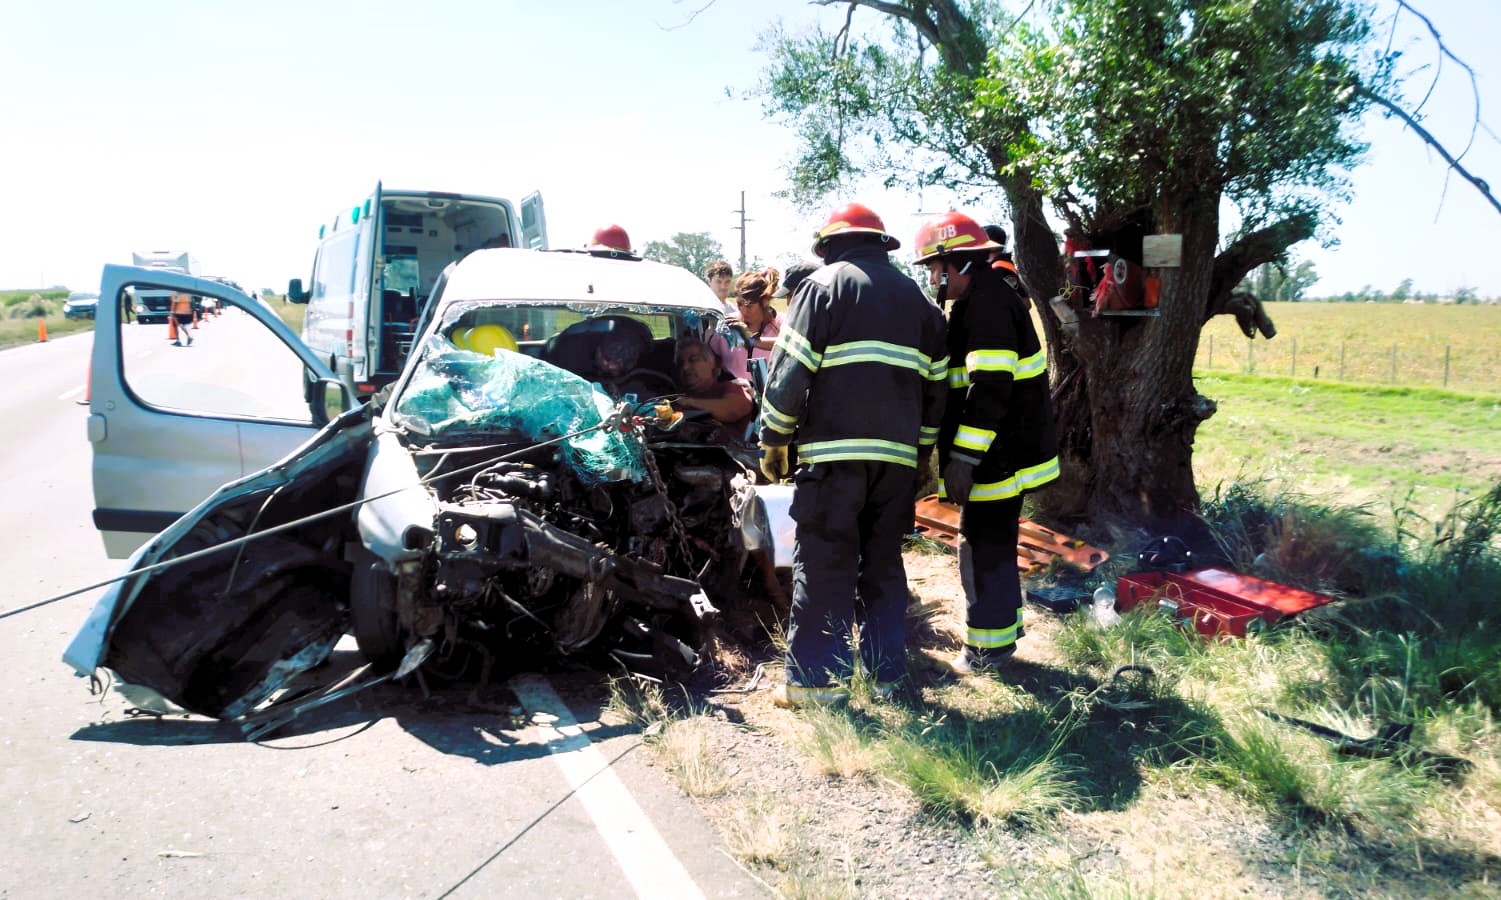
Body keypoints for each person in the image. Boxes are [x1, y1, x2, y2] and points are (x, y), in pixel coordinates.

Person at [758, 202, 948, 707]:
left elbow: (788, 375)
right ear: (879, 245)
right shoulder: (923, 304)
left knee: (824, 562)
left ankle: (817, 685)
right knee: (883, 565)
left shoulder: (822, 288)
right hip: (898, 465)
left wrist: (774, 441)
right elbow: (937, 393)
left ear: (830, 247)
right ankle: (887, 679)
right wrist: (922, 458)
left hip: (833, 459)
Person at [913, 211, 1059, 676]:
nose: (935, 280)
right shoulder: (985, 298)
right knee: (994, 543)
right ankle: (1003, 633)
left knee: (981, 546)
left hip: (998, 456)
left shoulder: (988, 307)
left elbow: (990, 390)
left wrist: (961, 459)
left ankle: (985, 653)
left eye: (936, 271)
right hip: (1002, 452)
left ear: (956, 264)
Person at [674, 336, 755, 444]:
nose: (685, 367)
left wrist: (690, 403)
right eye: (681, 363)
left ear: (711, 362)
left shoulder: (730, 387)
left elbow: (735, 409)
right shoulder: (676, 396)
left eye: (693, 360)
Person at [732, 268, 783, 359]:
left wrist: (752, 341)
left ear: (764, 302)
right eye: (739, 304)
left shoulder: (781, 323)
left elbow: (791, 345)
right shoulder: (730, 323)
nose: (743, 311)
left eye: (749, 306)